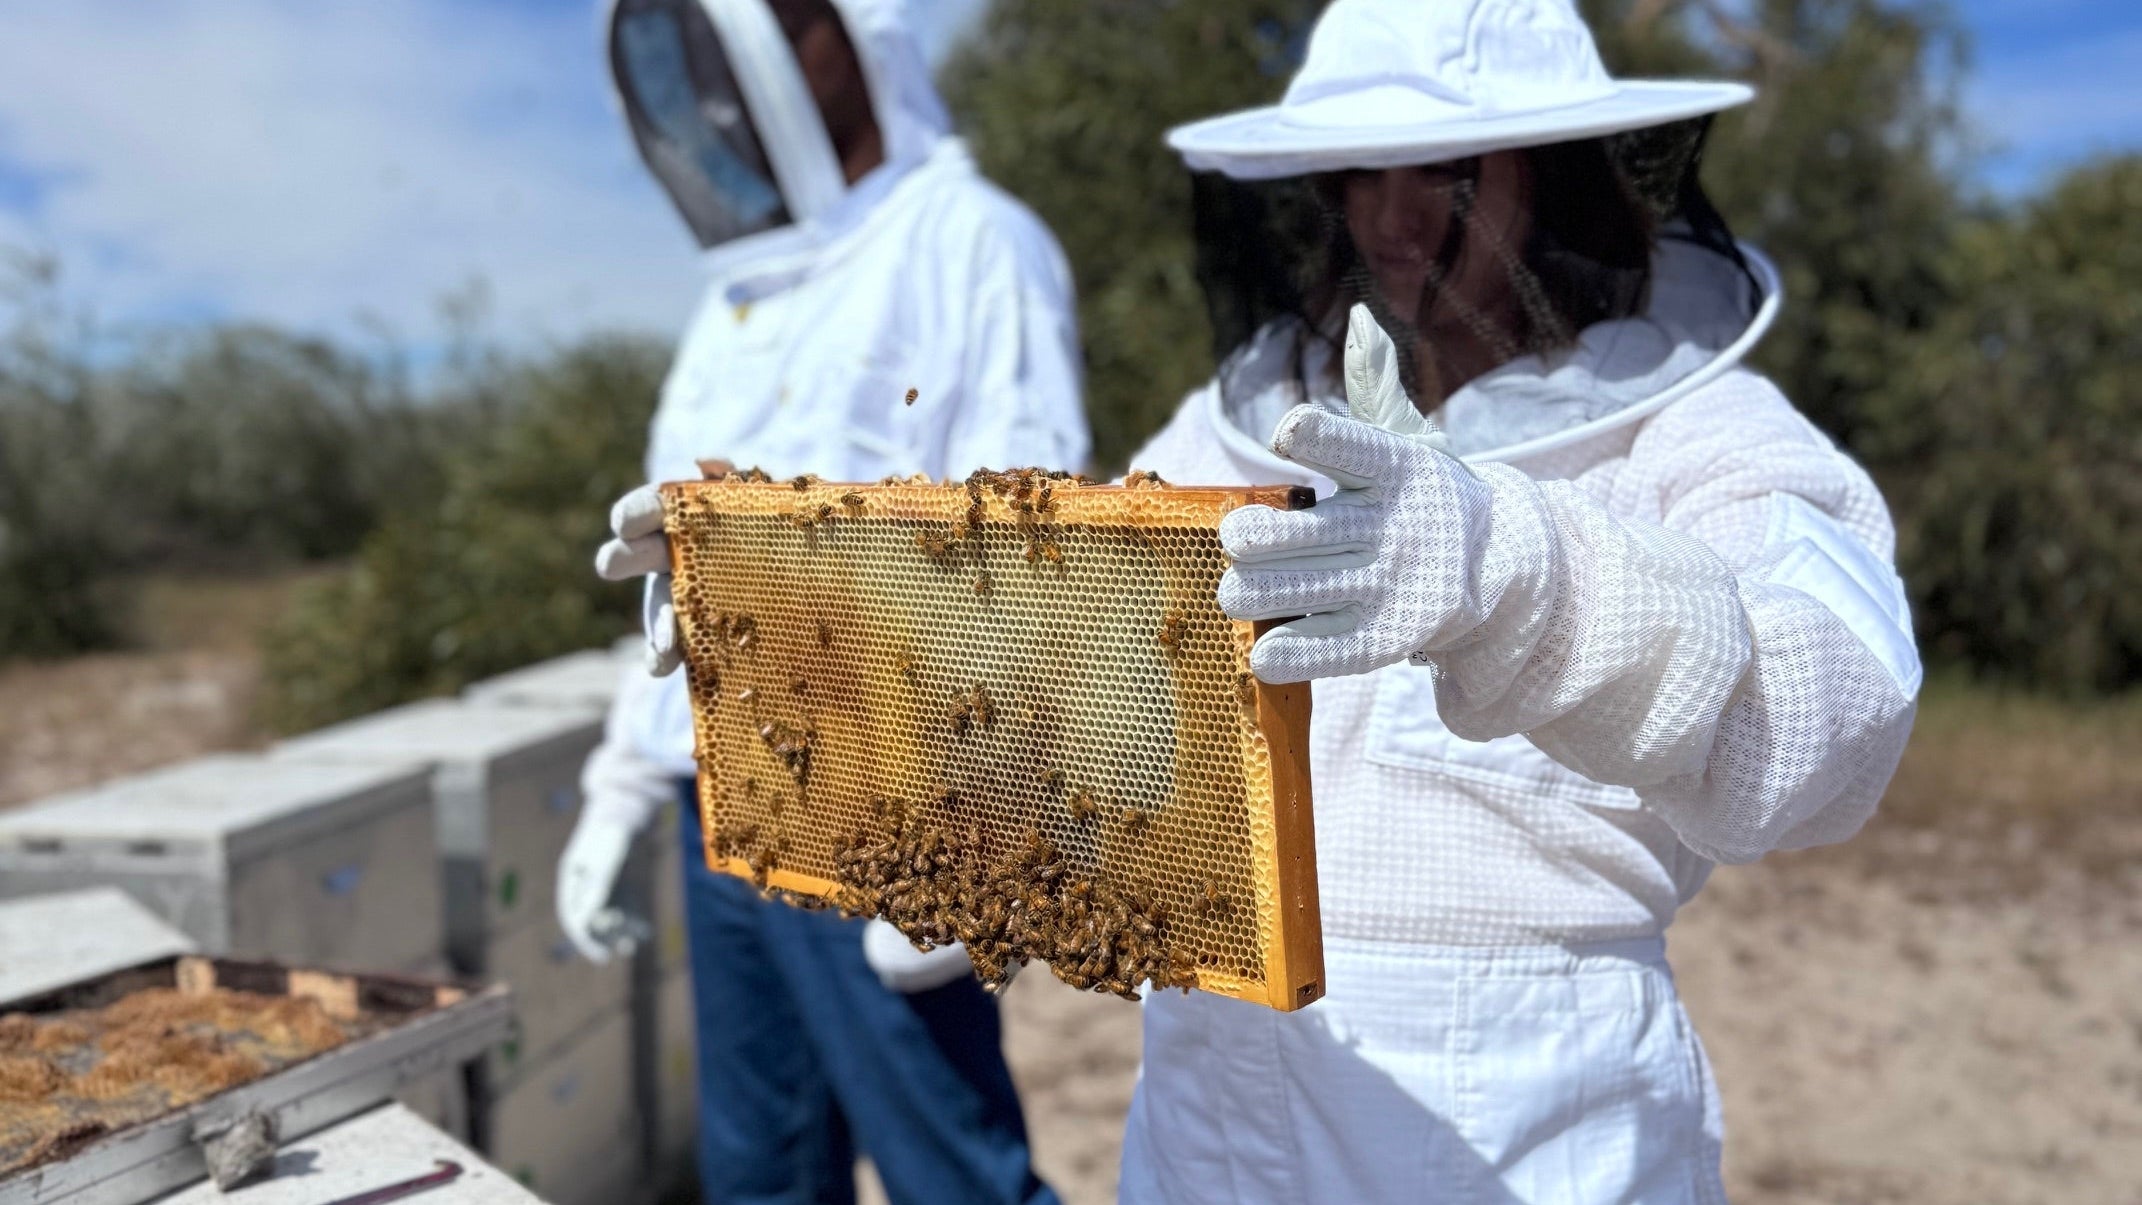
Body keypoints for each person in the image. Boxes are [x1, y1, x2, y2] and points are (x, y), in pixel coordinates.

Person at [1121, 0, 1920, 1201]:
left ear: (1552, 175)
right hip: (1206, 1102)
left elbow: (1832, 705)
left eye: (1442, 171)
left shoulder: (1692, 417)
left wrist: (1517, 576)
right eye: (1356, 172)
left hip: (1520, 1118)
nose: (1389, 217)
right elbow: (1080, 626)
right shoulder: (1250, 414)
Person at [554, 2, 1087, 1202]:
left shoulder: (972, 240)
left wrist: (983, 839)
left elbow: (1029, 542)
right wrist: (623, 785)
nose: (740, 73)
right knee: (758, 1170)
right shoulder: (733, 299)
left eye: (797, 24)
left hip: (881, 799)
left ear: (867, 37)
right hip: (719, 802)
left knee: (951, 1166)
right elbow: (671, 571)